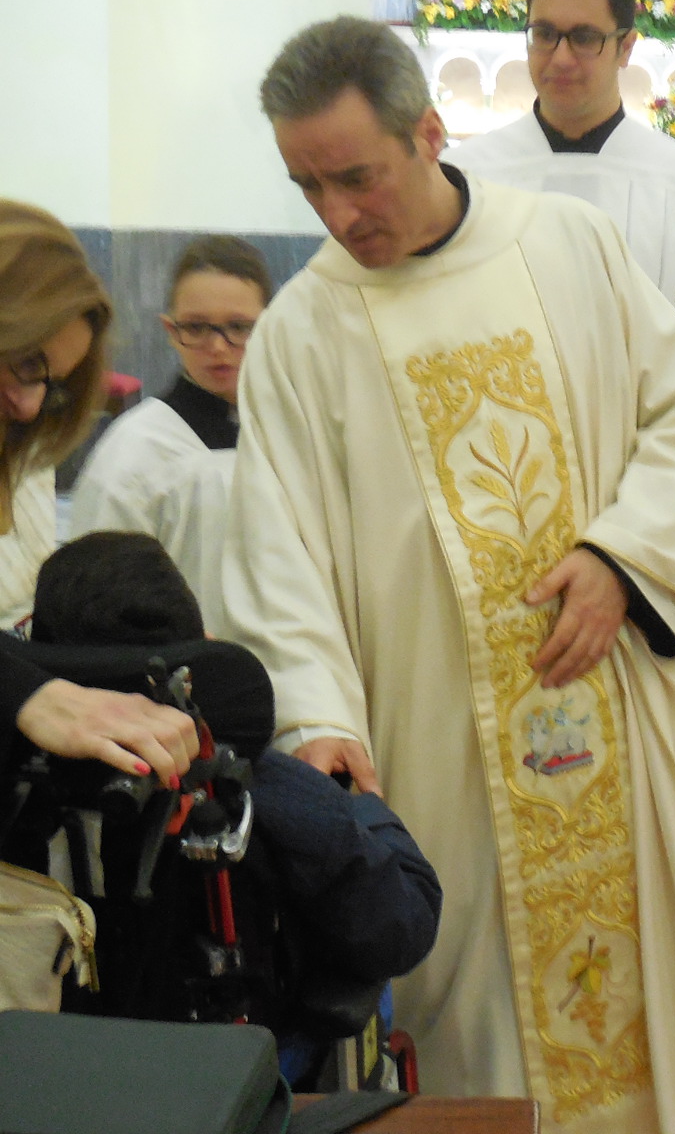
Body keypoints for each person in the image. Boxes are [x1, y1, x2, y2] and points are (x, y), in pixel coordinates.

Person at [221, 15, 675, 1130]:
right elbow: (280, 561)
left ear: (428, 132)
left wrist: (626, 558)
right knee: (468, 1033)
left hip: (602, 703)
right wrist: (320, 725)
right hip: (431, 756)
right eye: (306, 185)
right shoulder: (302, 334)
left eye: (357, 177)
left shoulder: (565, 247)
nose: (336, 214)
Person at [27, 530, 442, 1067]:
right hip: (237, 1091)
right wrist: (370, 811)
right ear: (201, 645)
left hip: (41, 1084)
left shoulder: (20, 796)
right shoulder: (266, 790)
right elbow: (400, 928)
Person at [445, 0, 675, 458]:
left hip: (643, 465)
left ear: (627, 47)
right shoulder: (468, 178)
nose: (560, 57)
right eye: (544, 34)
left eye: (584, 38)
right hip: (497, 458)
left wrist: (659, 433)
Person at [0, 199, 197, 788]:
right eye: (28, 363)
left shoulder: (21, 462)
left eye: (52, 386)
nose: (30, 406)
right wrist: (29, 693)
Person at [70, 235, 272, 629]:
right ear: (169, 329)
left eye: (238, 327)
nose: (217, 346)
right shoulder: (135, 455)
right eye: (196, 327)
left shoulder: (291, 435)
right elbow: (98, 603)